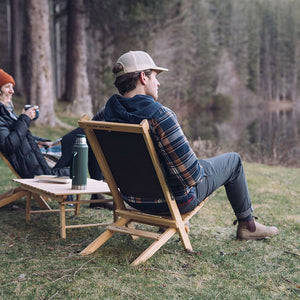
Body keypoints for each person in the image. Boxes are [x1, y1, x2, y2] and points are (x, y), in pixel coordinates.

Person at [91, 50, 278, 240]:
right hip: (173, 202)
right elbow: (191, 177)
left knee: (197, 165)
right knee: (234, 161)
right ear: (142, 78)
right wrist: (198, 165)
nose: (158, 83)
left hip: (131, 200)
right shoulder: (160, 116)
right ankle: (249, 227)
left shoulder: (102, 116)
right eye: (155, 77)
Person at [0, 68, 69, 179]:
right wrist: (25, 118)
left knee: (84, 141)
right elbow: (9, 145)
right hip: (37, 165)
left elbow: (23, 137)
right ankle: (96, 190)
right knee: (84, 138)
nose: (12, 91)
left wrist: (43, 142)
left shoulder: (8, 113)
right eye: (7, 87)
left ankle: (95, 192)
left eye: (12, 87)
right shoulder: (2, 115)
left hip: (39, 153)